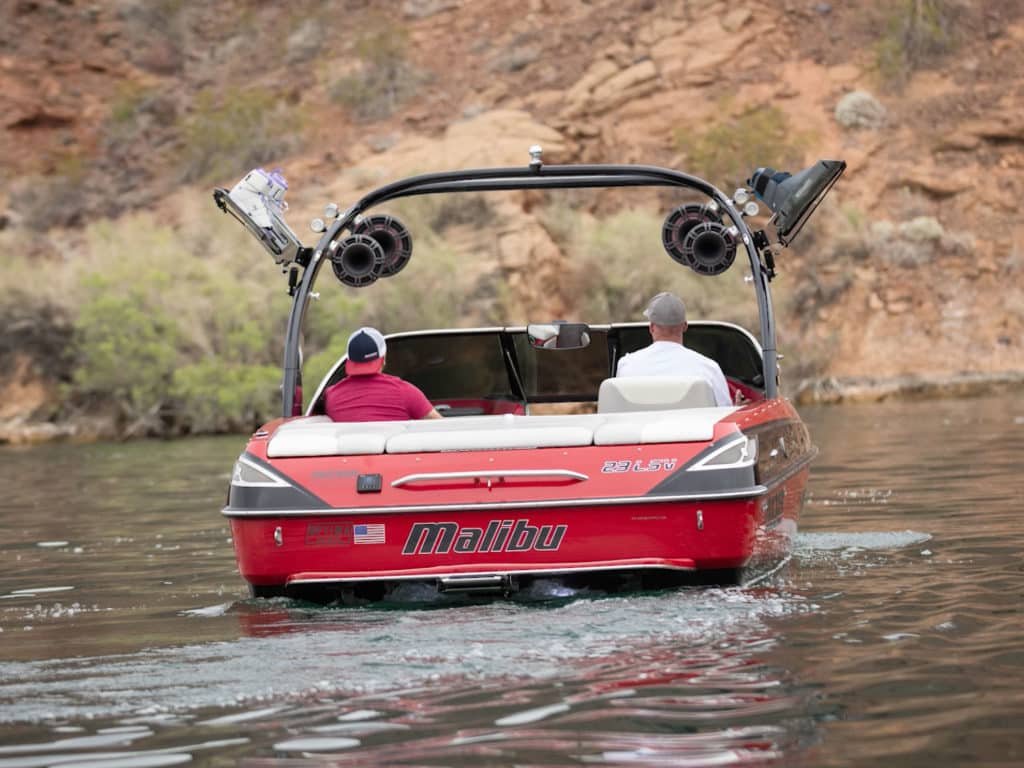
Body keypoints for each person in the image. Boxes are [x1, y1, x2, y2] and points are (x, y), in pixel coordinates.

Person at [616, 292, 733, 406]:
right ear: (685, 326)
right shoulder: (709, 369)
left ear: (651, 327)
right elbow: (724, 414)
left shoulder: (626, 365)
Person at [325, 327, 443, 422]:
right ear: (383, 359)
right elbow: (440, 428)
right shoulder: (405, 391)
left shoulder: (331, 396)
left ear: (349, 361)